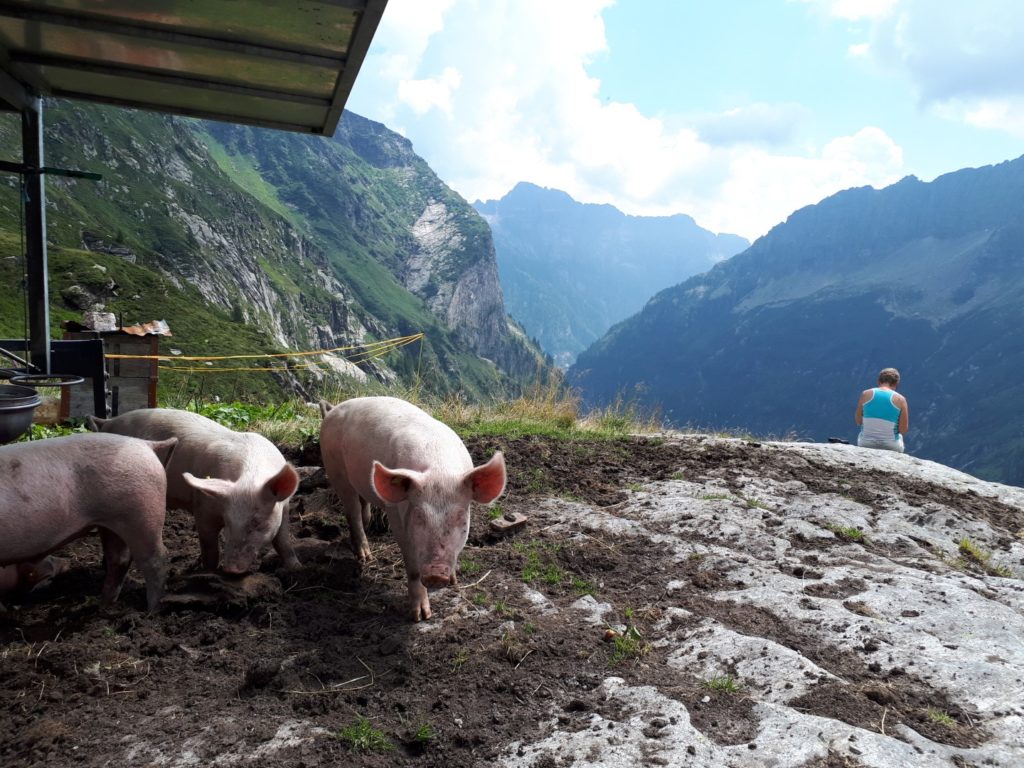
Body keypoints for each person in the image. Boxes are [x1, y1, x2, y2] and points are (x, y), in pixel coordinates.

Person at [855, 367, 908, 453]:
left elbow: (858, 421)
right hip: (891, 446)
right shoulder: (901, 400)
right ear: (896, 383)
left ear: (879, 381)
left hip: (866, 443)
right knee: (900, 437)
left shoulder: (866, 394)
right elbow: (903, 430)